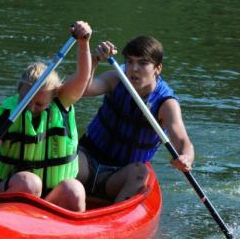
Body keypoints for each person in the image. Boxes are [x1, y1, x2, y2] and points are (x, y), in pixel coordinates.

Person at [0, 20, 92, 212]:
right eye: (27, 101)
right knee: (29, 182)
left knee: (74, 188)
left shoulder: (62, 103)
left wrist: (83, 44)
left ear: (53, 98)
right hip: (16, 190)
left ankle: (66, 232)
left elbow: (82, 77)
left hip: (53, 200)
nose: (31, 107)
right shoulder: (10, 115)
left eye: (40, 104)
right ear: (19, 93)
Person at [77, 35, 194, 202]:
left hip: (119, 175)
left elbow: (183, 142)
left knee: (141, 172)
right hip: (87, 159)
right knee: (65, 150)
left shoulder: (166, 104)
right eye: (130, 61)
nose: (134, 68)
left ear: (157, 68)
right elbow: (82, 90)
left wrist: (185, 158)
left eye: (143, 63)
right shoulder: (116, 78)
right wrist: (94, 60)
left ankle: (117, 218)